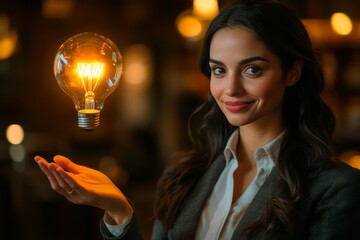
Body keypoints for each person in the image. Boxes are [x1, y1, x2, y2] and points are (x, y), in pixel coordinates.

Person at [34, 0, 360, 239]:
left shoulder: (335, 189)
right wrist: (119, 210)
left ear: (292, 71)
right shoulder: (184, 174)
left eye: (252, 69)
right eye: (219, 70)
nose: (230, 88)